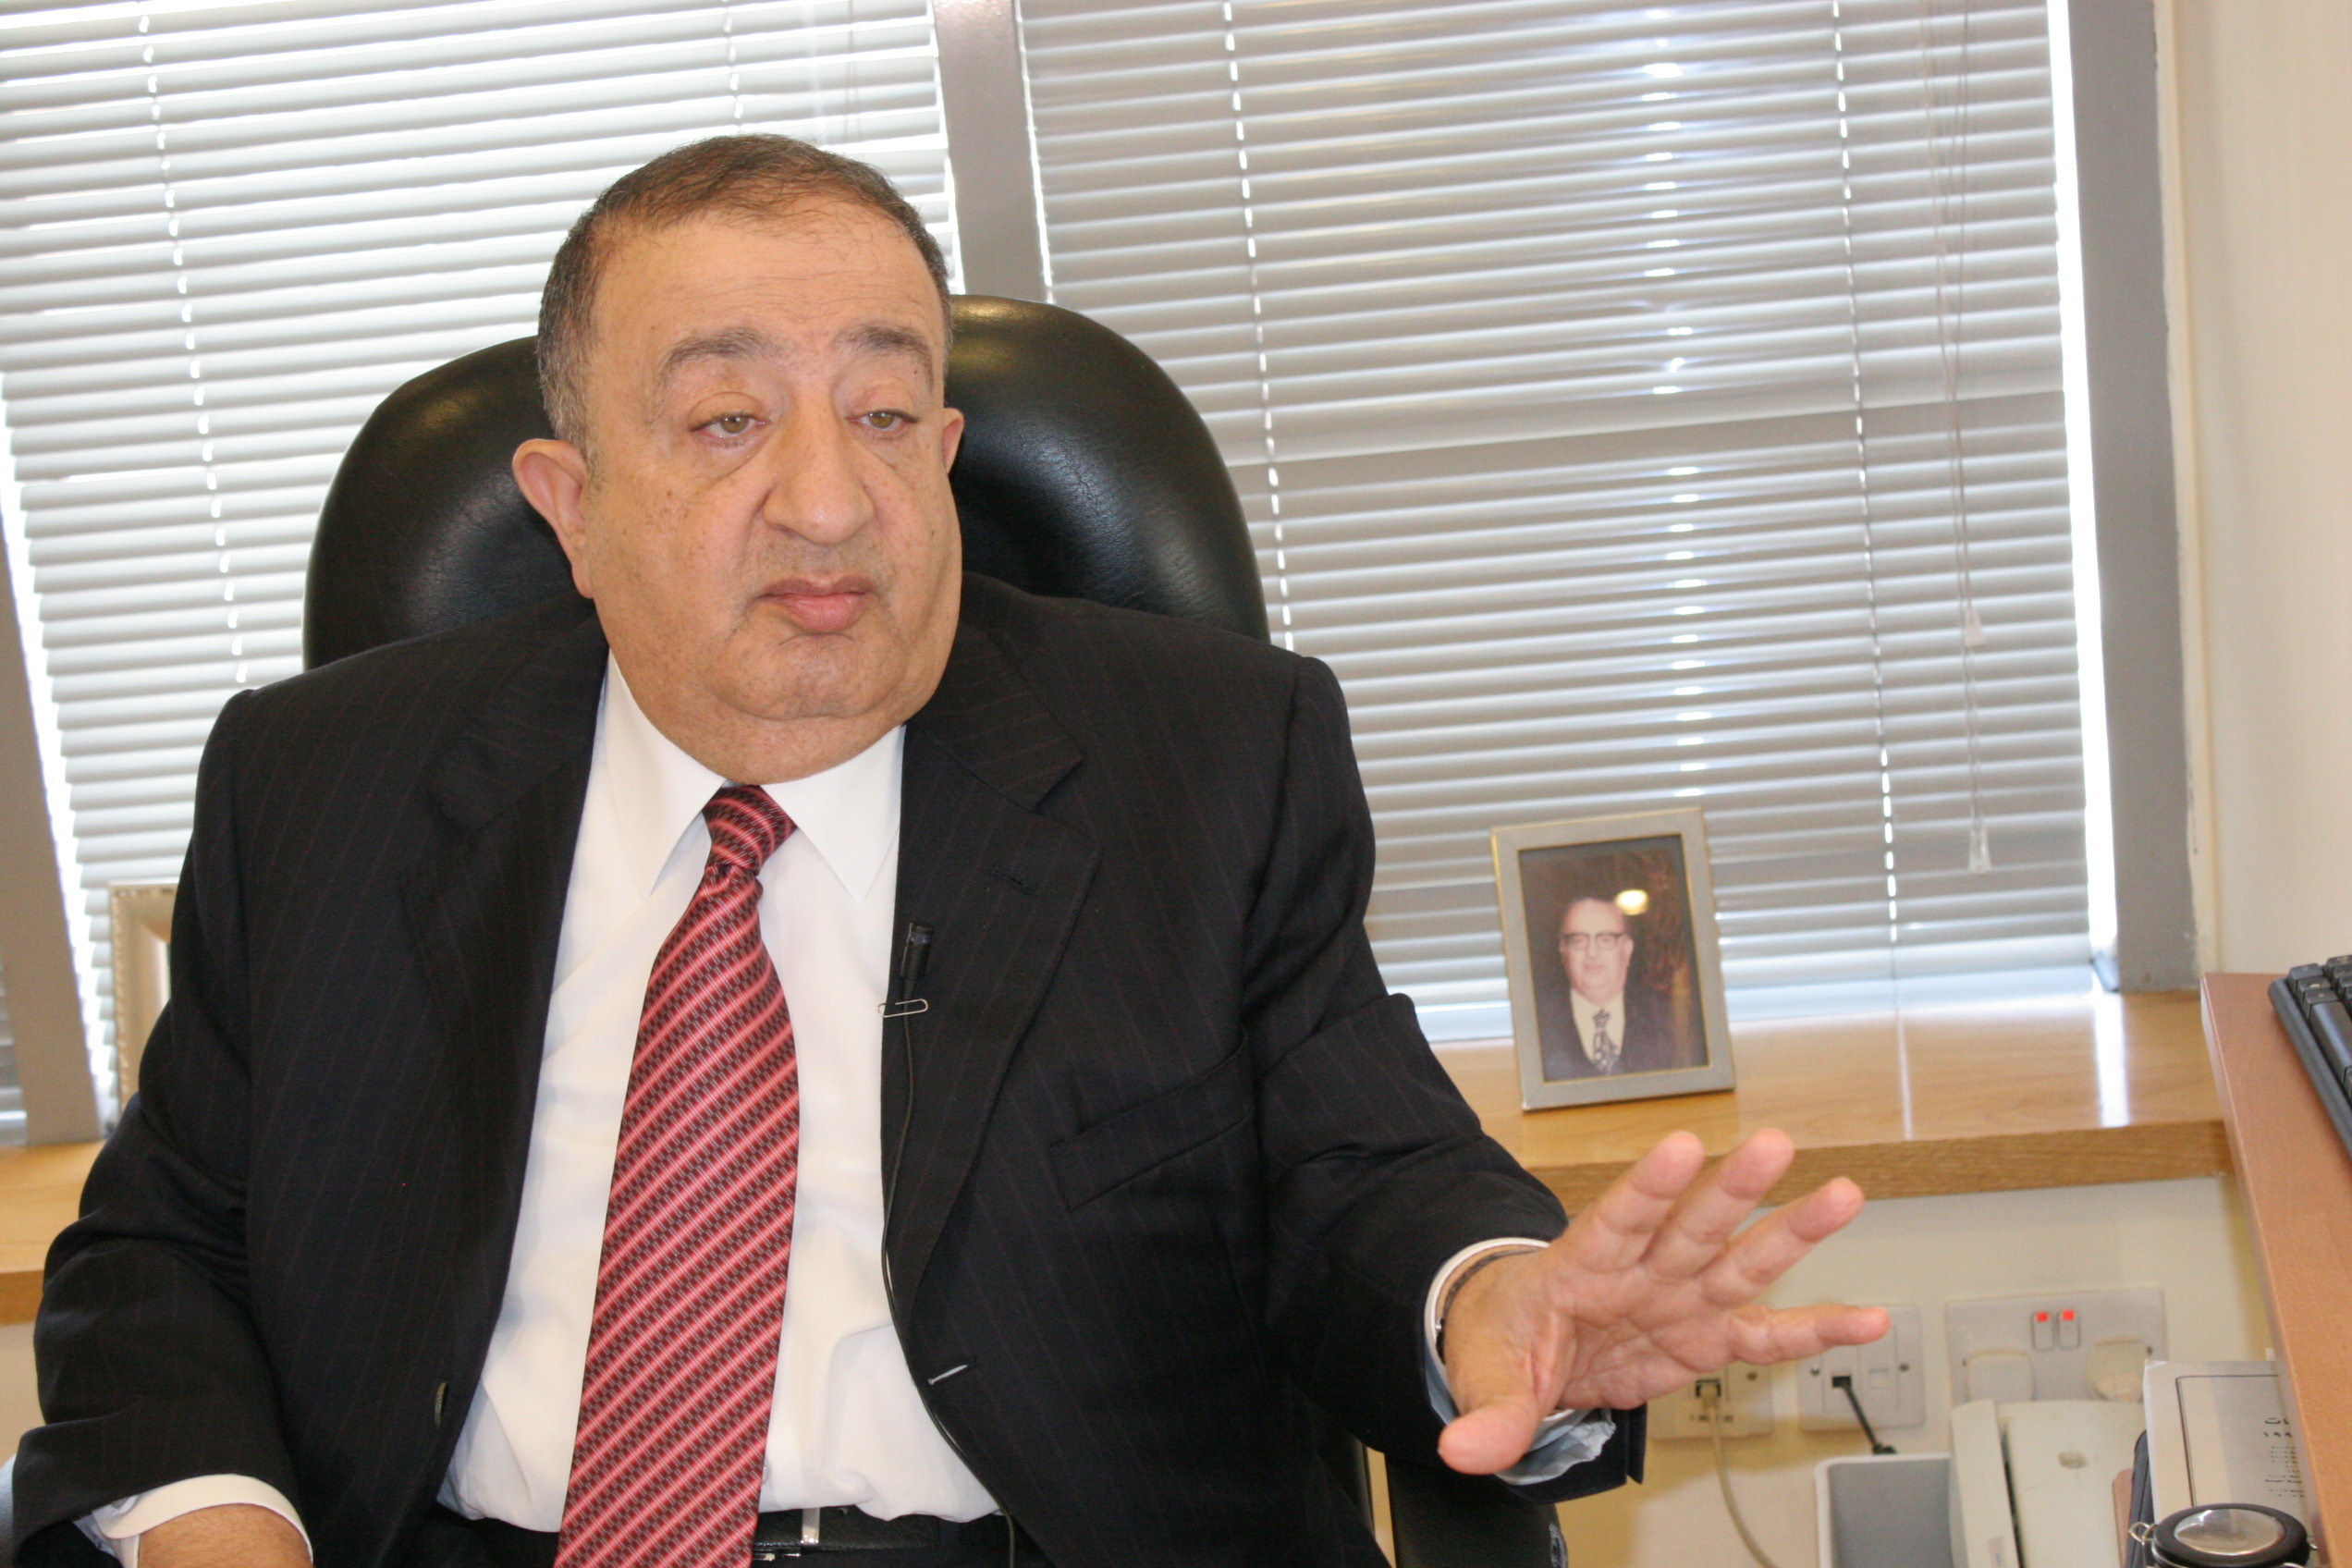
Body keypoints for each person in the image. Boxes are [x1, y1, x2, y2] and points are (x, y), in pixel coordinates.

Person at [14, 136, 1885, 1568]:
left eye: (885, 414)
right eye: (727, 420)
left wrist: (1493, 1301)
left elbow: (1361, 1163)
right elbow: (164, 1245)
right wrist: (218, 1526)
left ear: (948, 448)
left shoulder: (1201, 758)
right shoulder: (322, 781)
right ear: (568, 507)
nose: (828, 497)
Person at [1538, 896, 1702, 1081]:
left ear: (1627, 948)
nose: (1592, 953)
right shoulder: (1537, 1024)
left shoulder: (1671, 1017)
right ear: (1563, 950)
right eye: (1578, 941)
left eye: (1606, 940)